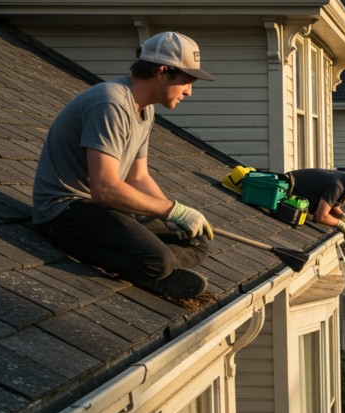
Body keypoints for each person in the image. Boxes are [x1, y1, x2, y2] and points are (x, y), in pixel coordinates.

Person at [32, 32, 216, 299]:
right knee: (159, 260)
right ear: (162, 72)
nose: (189, 91)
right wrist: (170, 211)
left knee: (196, 243)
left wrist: (176, 218)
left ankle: (152, 269)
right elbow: (104, 189)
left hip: (106, 209)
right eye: (186, 81)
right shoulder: (110, 103)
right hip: (66, 211)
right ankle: (154, 269)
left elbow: (137, 177)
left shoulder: (145, 108)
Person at [287, 167, 345, 240]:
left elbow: (330, 204)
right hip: (283, 191)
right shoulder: (337, 185)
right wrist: (340, 224)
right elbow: (320, 217)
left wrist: (341, 215)